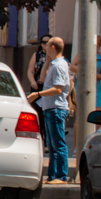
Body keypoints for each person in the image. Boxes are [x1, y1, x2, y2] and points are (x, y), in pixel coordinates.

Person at [29, 36, 73, 182]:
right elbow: (42, 79)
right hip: (49, 108)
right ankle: (53, 174)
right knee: (52, 145)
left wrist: (38, 94)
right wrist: (47, 61)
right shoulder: (53, 64)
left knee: (58, 144)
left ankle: (61, 175)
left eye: (47, 45)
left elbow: (58, 89)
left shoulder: (60, 65)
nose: (44, 47)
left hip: (56, 108)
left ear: (53, 47)